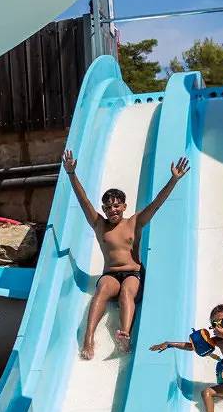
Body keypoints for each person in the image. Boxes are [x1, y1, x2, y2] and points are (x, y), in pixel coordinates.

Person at [62, 150, 190, 359]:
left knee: (126, 293)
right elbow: (84, 201)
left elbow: (156, 203)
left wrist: (173, 180)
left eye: (116, 205)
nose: (112, 210)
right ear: (103, 208)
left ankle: (124, 335)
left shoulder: (134, 222)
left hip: (134, 274)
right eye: (108, 207)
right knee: (102, 290)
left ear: (124, 206)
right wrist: (71, 174)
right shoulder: (98, 224)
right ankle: (88, 338)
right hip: (110, 274)